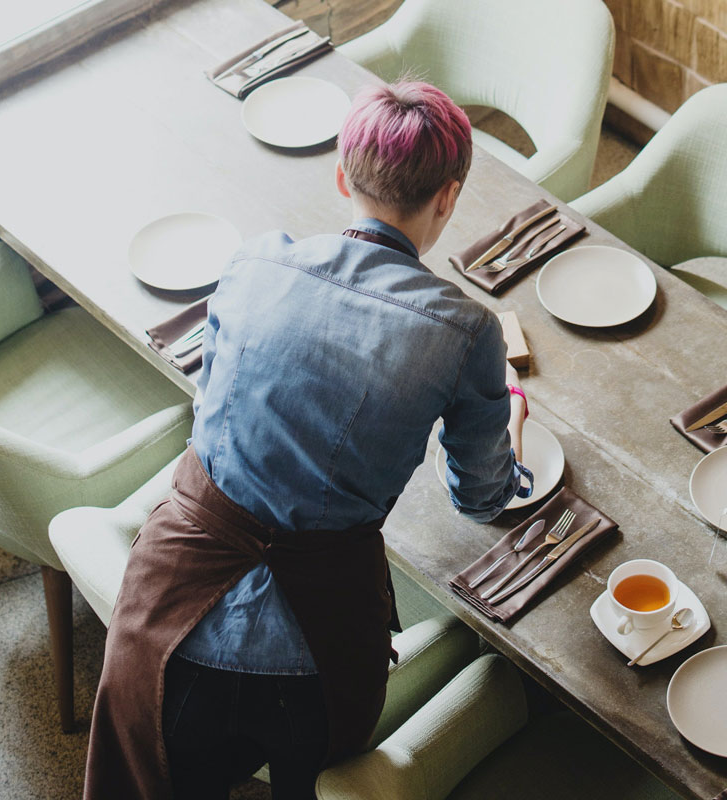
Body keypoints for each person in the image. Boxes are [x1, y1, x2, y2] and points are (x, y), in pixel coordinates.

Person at [82, 80, 532, 800]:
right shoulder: (468, 330)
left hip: (168, 631)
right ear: (448, 196)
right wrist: (510, 415)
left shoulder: (253, 262)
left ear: (339, 175)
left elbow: (215, 409)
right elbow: (480, 499)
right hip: (319, 666)